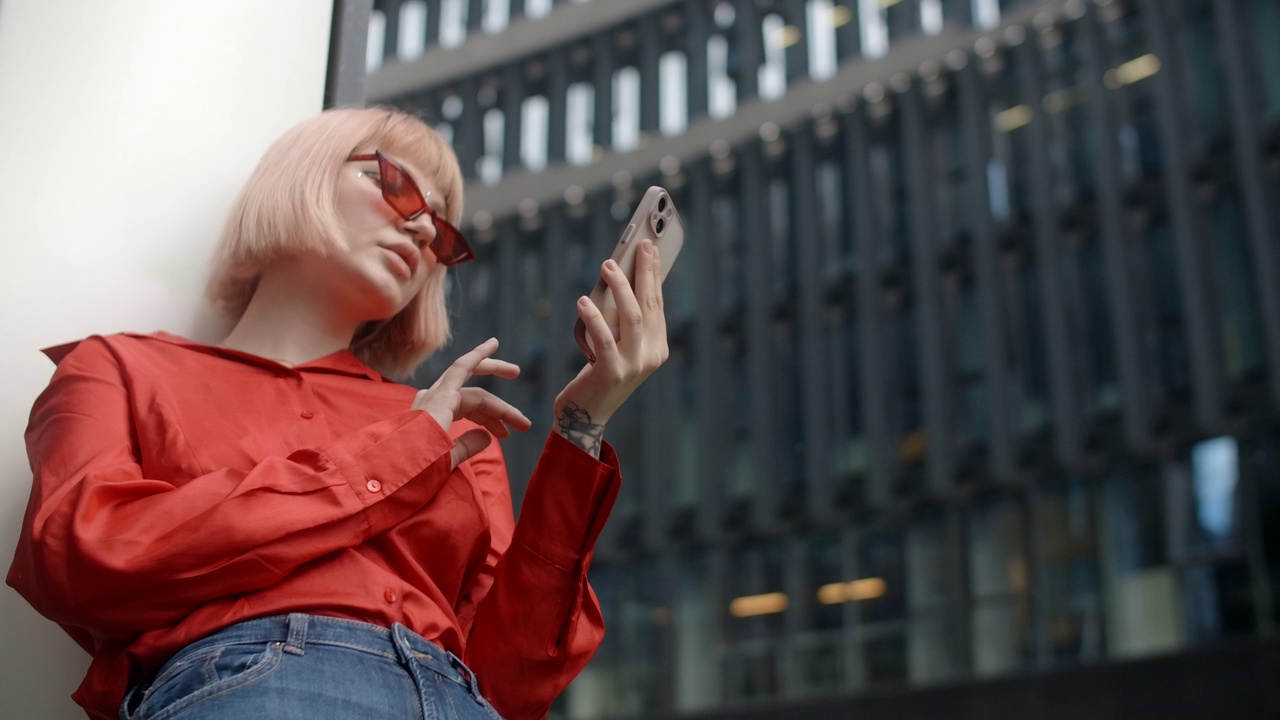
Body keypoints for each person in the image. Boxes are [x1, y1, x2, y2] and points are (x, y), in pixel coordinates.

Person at [7, 106, 669, 720]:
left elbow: (510, 682)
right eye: (399, 188)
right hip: (256, 688)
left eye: (441, 231)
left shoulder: (458, 428)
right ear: (303, 177)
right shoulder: (118, 369)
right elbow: (84, 557)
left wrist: (582, 426)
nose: (419, 227)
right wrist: (401, 452)